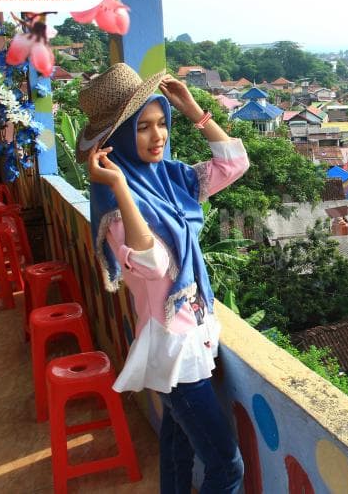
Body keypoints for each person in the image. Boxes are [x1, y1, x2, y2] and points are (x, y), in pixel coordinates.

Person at [76, 63, 248, 493]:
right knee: (227, 468)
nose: (158, 137)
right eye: (142, 128)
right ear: (116, 141)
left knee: (176, 450)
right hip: (175, 350)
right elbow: (152, 264)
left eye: (161, 123)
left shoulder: (174, 179)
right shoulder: (117, 212)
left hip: (193, 335)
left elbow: (234, 164)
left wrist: (195, 111)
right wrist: (118, 187)